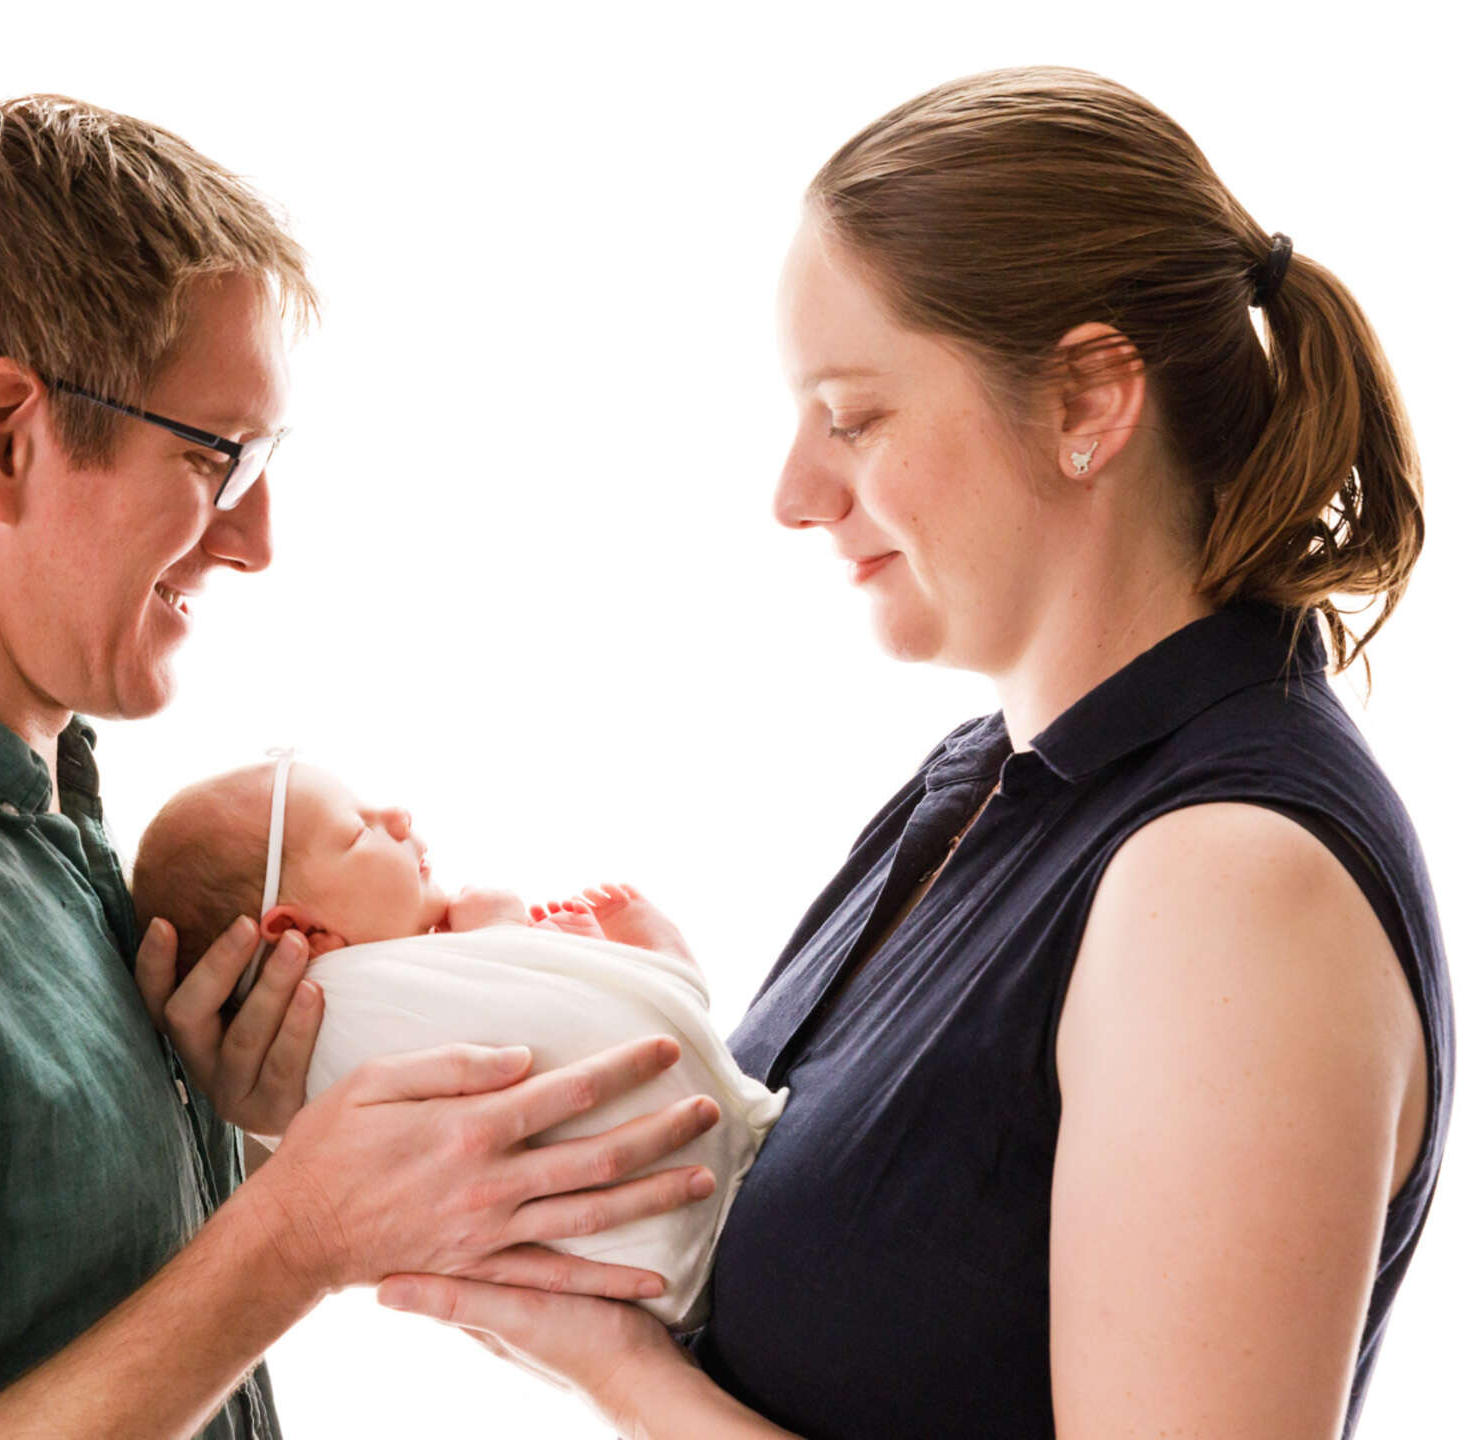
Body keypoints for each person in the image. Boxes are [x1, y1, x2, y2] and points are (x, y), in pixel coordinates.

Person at [365, 65, 1455, 1440]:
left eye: (855, 416)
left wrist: (618, 1373)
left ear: (1088, 403)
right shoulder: (987, 784)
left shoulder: (1229, 881)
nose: (794, 494)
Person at [0, 95, 722, 1439]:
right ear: (3, 439)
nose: (257, 536)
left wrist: (264, 1135)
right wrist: (287, 1242)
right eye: (214, 457)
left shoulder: (35, 833)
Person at [128, 752, 788, 1329]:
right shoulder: (347, 1000)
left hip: (669, 1264)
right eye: (359, 831)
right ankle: (670, 974)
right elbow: (531, 1034)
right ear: (302, 930)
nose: (398, 816)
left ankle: (665, 978)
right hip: (704, 1196)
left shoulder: (302, 1070)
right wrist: (507, 934)